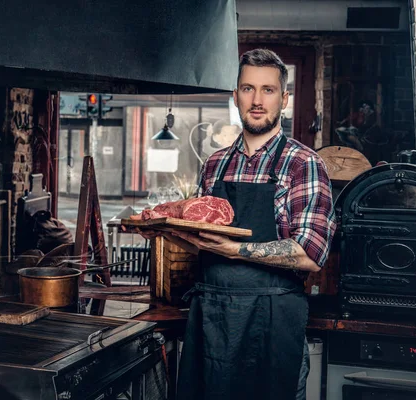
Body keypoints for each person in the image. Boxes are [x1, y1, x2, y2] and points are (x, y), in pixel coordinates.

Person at [135, 49, 337, 399]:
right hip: (212, 316)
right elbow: (204, 240)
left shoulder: (303, 164)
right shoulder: (215, 164)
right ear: (235, 96)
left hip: (272, 320)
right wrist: (164, 232)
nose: (257, 100)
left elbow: (309, 255)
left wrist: (236, 250)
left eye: (268, 90)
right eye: (247, 88)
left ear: (284, 99)